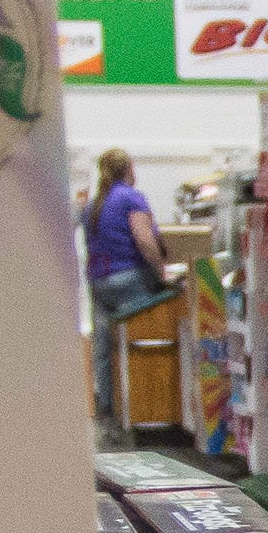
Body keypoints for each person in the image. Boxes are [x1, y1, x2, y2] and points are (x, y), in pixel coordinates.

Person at [82, 148, 173, 419]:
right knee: (137, 342)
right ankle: (139, 410)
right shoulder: (131, 199)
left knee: (105, 347)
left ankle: (108, 409)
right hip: (129, 279)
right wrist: (161, 272)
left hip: (98, 282)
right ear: (129, 169)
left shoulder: (93, 204)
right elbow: (144, 240)